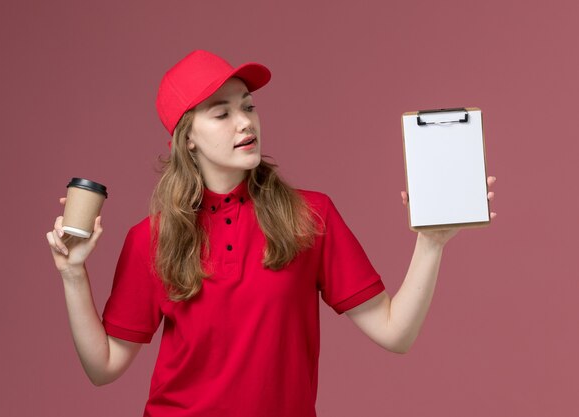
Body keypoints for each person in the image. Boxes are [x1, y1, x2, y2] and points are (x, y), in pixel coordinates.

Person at [46, 50, 497, 417]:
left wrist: (432, 241)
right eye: (221, 113)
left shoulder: (309, 216)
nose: (245, 122)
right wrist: (73, 274)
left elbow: (396, 333)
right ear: (187, 138)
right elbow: (103, 367)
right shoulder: (151, 237)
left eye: (248, 106)